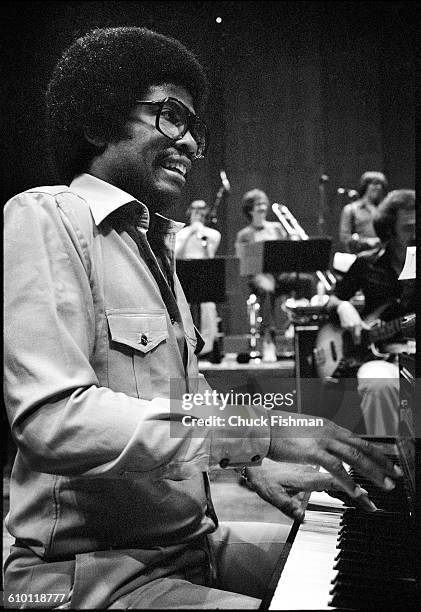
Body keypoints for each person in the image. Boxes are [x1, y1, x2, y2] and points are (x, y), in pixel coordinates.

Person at [4, 26, 402, 610]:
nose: (191, 143)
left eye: (197, 128)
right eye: (171, 116)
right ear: (95, 123)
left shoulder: (154, 244)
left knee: (377, 571)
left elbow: (183, 394)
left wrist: (254, 466)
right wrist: (262, 432)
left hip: (193, 544)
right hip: (91, 573)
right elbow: (56, 418)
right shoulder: (46, 217)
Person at [327, 189, 415, 436]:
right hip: (379, 358)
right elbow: (332, 300)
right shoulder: (367, 262)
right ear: (389, 229)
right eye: (409, 227)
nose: (416, 234)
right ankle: (385, 464)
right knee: (377, 383)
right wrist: (343, 306)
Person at [235, 189, 314, 362]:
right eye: (258, 204)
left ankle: (297, 324)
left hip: (280, 274)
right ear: (250, 209)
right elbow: (244, 262)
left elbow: (287, 253)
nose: (262, 207)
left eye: (264, 203)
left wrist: (292, 242)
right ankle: (269, 341)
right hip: (259, 276)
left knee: (306, 281)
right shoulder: (244, 235)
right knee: (267, 288)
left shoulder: (276, 227)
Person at [175, 199, 221, 357]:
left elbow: (210, 255)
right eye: (195, 211)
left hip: (204, 276)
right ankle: (187, 345)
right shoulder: (181, 233)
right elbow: (176, 253)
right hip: (185, 276)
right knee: (183, 309)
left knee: (208, 309)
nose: (197, 215)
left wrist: (200, 233)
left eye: (201, 212)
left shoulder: (213, 234)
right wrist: (190, 232)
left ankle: (207, 347)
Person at [339, 171, 388, 253]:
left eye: (381, 185)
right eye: (375, 184)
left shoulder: (385, 209)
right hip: (361, 255)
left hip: (383, 255)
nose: (379, 187)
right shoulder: (351, 209)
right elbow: (345, 237)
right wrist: (366, 242)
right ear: (366, 186)